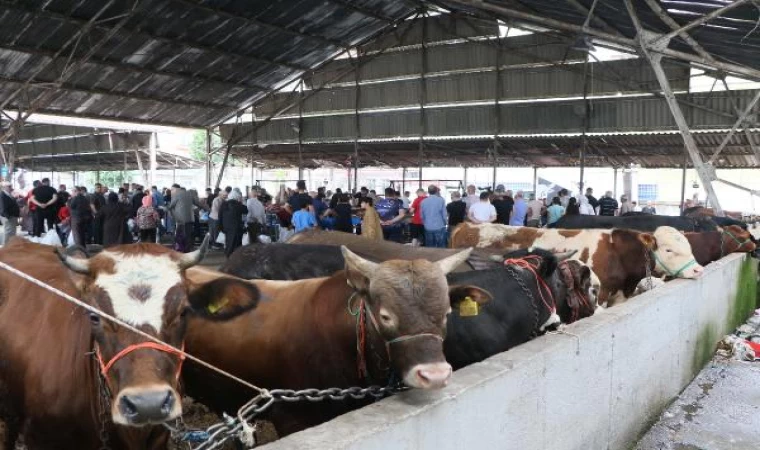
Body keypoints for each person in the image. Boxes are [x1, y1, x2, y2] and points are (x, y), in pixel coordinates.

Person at [219, 190, 248, 258]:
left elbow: (219, 216)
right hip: (236, 228)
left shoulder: (224, 204)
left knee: (228, 243)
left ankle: (228, 257)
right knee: (235, 244)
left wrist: (221, 227)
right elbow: (246, 210)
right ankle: (233, 259)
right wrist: (242, 201)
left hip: (226, 228)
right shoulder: (237, 204)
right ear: (237, 197)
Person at [167, 184, 195, 252]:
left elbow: (170, 206)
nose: (171, 191)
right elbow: (198, 203)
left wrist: (165, 208)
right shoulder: (190, 194)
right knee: (188, 235)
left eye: (172, 189)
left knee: (179, 236)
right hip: (190, 219)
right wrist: (209, 210)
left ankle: (180, 250)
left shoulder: (176, 195)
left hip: (180, 220)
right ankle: (187, 250)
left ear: (176, 189)